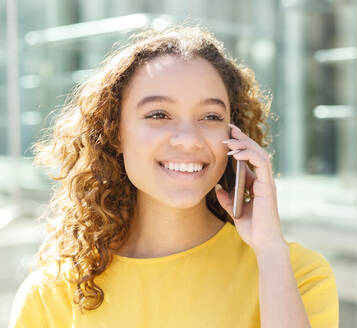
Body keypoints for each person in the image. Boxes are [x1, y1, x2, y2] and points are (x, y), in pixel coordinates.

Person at [8, 24, 338, 328]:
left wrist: (270, 252)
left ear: (234, 136)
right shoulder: (52, 295)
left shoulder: (296, 274)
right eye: (159, 114)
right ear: (114, 133)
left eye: (210, 116)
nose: (189, 138)